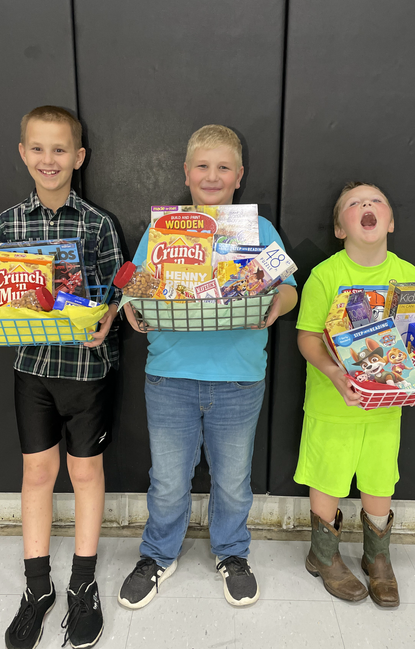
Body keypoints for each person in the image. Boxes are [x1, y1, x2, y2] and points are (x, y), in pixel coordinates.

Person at [0, 106, 123, 649]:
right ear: (22, 153)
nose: (48, 160)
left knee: (84, 474)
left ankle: (82, 582)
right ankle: (37, 589)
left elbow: (118, 288)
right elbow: (2, 296)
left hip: (86, 372)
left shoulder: (98, 224)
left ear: (78, 158)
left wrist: (109, 317)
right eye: (37, 148)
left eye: (59, 150)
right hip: (32, 370)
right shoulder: (8, 223)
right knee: (36, 474)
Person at [119, 125, 298, 608]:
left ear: (239, 176)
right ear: (186, 173)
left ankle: (232, 554)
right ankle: (158, 554)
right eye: (203, 166)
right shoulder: (163, 230)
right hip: (170, 374)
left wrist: (277, 303)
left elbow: (289, 287)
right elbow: (134, 284)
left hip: (239, 377)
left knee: (234, 479)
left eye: (223, 167)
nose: (212, 175)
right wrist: (129, 304)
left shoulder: (257, 230)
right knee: (169, 479)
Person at [294, 181, 415, 607]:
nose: (367, 206)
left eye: (376, 201)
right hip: (333, 403)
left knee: (379, 480)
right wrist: (334, 375)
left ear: (390, 221)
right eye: (355, 203)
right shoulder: (326, 274)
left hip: (386, 408)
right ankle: (323, 556)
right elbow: (306, 338)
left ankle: (378, 558)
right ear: (341, 227)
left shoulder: (409, 275)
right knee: (327, 478)